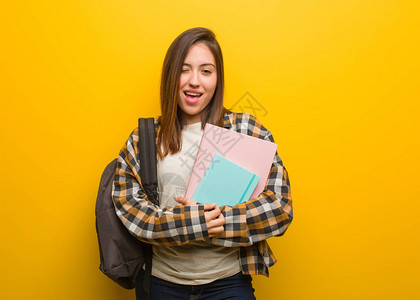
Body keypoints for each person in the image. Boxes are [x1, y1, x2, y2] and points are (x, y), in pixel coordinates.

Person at [112, 27, 293, 300]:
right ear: (171, 76)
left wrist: (214, 221)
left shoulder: (245, 129)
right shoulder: (145, 138)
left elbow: (280, 207)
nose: (194, 81)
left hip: (228, 283)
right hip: (162, 285)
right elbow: (133, 215)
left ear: (217, 79)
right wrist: (193, 222)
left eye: (206, 71)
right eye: (184, 70)